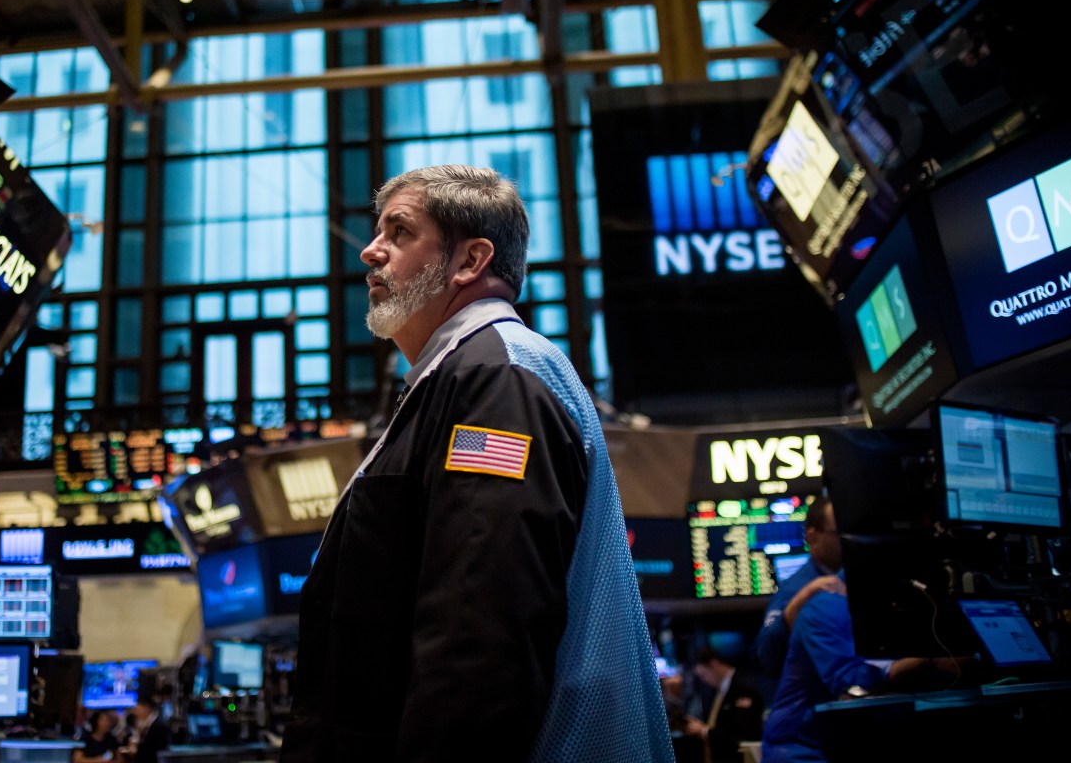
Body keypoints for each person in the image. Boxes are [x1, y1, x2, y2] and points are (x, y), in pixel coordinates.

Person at [280, 164, 674, 762]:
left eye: (399, 232)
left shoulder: (497, 380)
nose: (369, 251)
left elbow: (480, 633)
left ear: (470, 262)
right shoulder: (468, 374)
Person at [759, 574, 960, 763]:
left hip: (860, 739)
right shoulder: (828, 603)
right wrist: (929, 661)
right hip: (805, 747)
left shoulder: (911, 599)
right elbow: (849, 681)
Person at [752, 496, 843, 682]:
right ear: (813, 537)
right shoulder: (797, 589)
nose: (847, 539)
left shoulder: (851, 577)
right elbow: (766, 655)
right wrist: (795, 607)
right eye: (838, 532)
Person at [683, 649, 764, 763]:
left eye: (703, 675)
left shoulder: (742, 687)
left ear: (714, 664)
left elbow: (740, 732)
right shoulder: (719, 690)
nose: (704, 680)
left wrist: (704, 730)